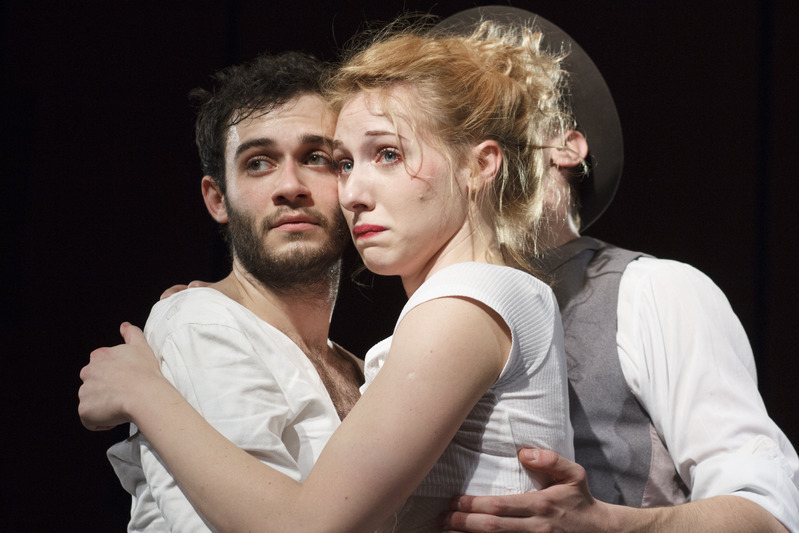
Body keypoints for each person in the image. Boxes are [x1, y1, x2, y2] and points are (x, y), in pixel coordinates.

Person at [79, 20, 575, 532]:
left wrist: (142, 392)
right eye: (345, 163)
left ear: (479, 165)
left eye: (385, 155)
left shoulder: (460, 306)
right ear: (216, 198)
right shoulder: (204, 323)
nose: (352, 191)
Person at [435, 7, 799, 533]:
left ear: (566, 146)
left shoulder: (653, 291)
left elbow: (768, 512)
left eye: (489, 115)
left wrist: (606, 524)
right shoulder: (437, 315)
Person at [103, 51, 363, 531]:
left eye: (317, 158)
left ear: (352, 178)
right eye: (259, 163)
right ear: (217, 199)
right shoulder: (201, 323)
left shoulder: (362, 369)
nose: (290, 186)